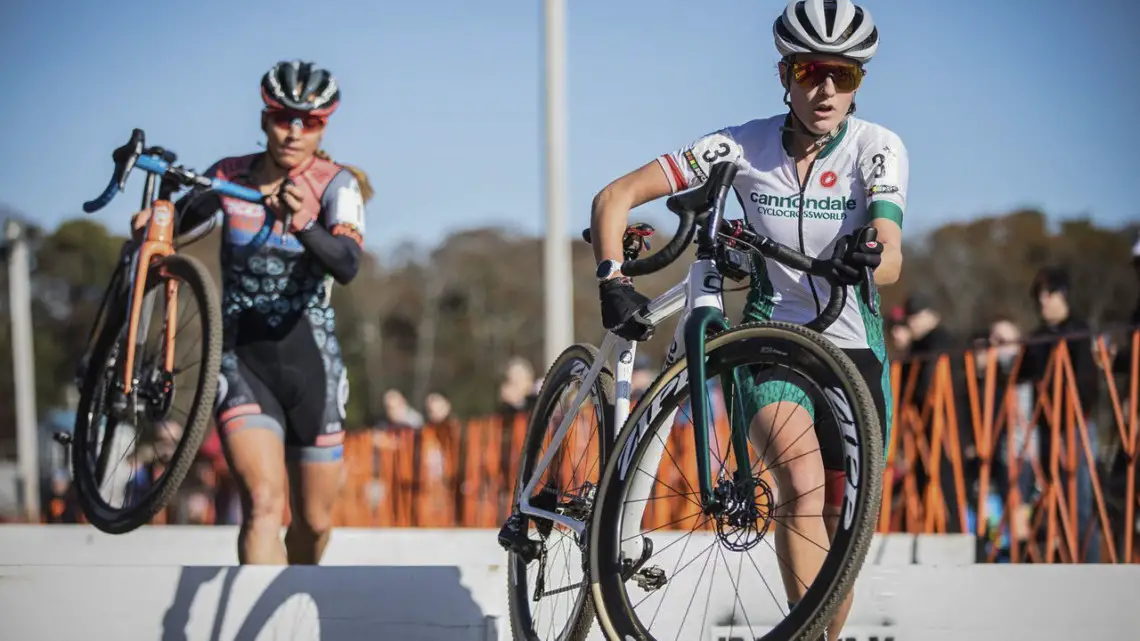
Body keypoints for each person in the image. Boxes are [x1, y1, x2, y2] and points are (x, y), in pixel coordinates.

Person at [587, 1, 904, 637]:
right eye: (813, 71)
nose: (827, 89)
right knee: (800, 481)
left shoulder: (878, 148)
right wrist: (611, 277)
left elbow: (891, 254)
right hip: (772, 338)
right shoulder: (739, 146)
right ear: (785, 72)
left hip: (854, 346)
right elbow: (614, 197)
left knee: (847, 519)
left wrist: (868, 251)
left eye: (845, 76)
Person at [132, 60, 371, 564]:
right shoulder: (230, 175)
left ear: (324, 125)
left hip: (312, 362)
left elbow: (348, 264)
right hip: (241, 358)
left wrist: (303, 222)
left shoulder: (336, 185)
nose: (294, 132)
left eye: (309, 122)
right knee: (262, 504)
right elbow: (180, 223)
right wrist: (156, 223)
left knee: (314, 522)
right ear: (265, 119)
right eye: (284, 118)